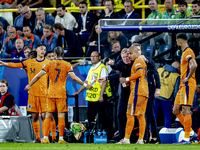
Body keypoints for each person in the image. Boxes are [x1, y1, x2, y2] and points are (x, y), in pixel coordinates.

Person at [24, 46, 92, 143]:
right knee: (61, 116)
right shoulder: (67, 64)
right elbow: (74, 78)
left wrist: (30, 85)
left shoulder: (49, 64)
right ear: (63, 54)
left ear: (55, 54)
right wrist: (85, 84)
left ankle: (46, 138)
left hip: (50, 93)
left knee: (48, 115)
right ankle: (60, 138)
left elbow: (38, 76)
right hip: (61, 93)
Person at [0, 44, 50, 143]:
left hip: (44, 93)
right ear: (36, 50)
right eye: (41, 49)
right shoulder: (29, 62)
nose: (43, 51)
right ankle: (37, 138)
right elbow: (16, 65)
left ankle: (45, 137)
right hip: (32, 93)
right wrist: (4, 63)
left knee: (44, 115)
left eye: (44, 49)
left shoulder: (48, 63)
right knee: (35, 116)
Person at [73, 51, 112, 137]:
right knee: (90, 116)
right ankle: (91, 134)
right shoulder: (92, 68)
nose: (93, 58)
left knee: (102, 117)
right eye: (91, 56)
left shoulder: (102, 68)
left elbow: (105, 82)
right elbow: (87, 81)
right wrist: (79, 91)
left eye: (95, 56)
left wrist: (101, 95)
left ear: (99, 57)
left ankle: (105, 135)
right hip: (92, 97)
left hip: (100, 96)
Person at [118, 45, 149, 144]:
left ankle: (126, 139)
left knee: (130, 114)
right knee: (140, 116)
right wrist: (129, 82)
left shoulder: (138, 61)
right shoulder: (140, 61)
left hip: (137, 93)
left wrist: (127, 79)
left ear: (136, 52)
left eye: (130, 53)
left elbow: (139, 73)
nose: (129, 55)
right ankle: (140, 139)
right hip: (143, 91)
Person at [173, 33, 198, 144]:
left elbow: (194, 65)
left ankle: (187, 138)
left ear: (179, 41)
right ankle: (191, 132)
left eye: (176, 41)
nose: (176, 43)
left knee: (186, 110)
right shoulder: (184, 52)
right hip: (183, 86)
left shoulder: (188, 51)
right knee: (175, 110)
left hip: (188, 84)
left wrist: (188, 77)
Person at [154, 62, 180, 128]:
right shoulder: (177, 76)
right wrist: (175, 103)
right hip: (166, 97)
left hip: (155, 95)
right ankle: (166, 132)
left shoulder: (159, 70)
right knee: (167, 116)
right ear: (177, 68)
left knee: (153, 115)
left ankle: (151, 133)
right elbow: (176, 91)